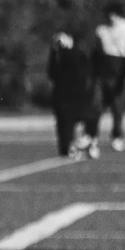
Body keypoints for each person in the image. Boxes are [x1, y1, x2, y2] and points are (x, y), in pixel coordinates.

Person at [92, 0, 125, 149]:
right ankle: (92, 136)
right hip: (102, 74)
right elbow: (95, 53)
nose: (110, 17)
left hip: (119, 74)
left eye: (113, 14)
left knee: (118, 108)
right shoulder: (101, 30)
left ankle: (117, 136)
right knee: (96, 106)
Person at [46, 28, 93, 159]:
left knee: (76, 121)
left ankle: (77, 145)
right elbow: (52, 73)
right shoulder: (57, 55)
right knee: (62, 123)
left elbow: (81, 70)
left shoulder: (77, 54)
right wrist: (54, 50)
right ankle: (65, 148)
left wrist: (68, 47)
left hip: (76, 94)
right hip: (61, 94)